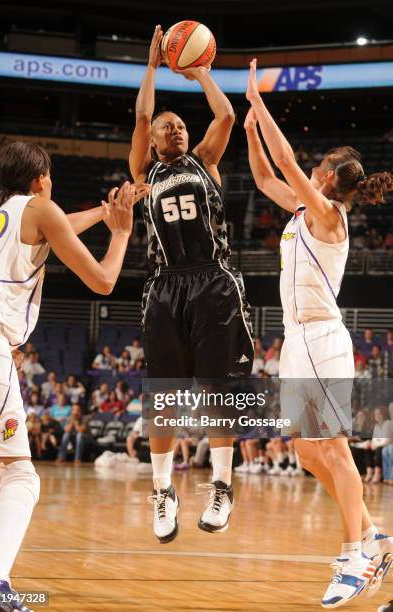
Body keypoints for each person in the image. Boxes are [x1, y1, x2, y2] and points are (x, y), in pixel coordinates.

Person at [244, 59, 393, 608]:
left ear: (328, 176)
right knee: (306, 450)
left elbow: (285, 161)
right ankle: (374, 534)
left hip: (323, 338)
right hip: (296, 341)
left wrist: (260, 104)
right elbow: (265, 177)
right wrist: (250, 132)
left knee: (333, 449)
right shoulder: (305, 209)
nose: (309, 169)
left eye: (316, 167)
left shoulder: (329, 215)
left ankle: (354, 558)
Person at [0, 140, 148, 609]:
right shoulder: (40, 208)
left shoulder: (0, 218)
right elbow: (103, 281)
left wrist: (100, 211)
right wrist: (119, 231)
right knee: (20, 475)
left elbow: (57, 227)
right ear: (41, 180)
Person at [130, 25, 253, 544]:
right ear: (154, 140)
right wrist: (154, 67)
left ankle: (222, 484)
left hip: (214, 282)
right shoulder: (144, 171)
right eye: (167, 127)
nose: (176, 130)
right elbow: (141, 114)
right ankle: (163, 492)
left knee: (216, 389)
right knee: (163, 395)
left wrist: (200, 71)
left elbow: (226, 116)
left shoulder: (205, 161)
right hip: (164, 285)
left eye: (180, 125)